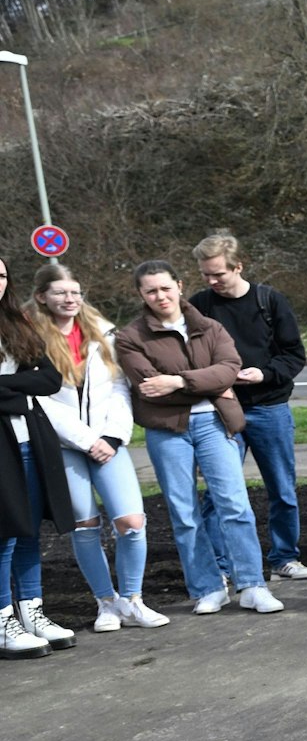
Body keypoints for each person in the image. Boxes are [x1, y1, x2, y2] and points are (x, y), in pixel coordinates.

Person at [117, 260, 285, 614]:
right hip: (167, 430)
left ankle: (252, 585)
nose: (160, 295)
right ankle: (208, 587)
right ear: (141, 295)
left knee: (234, 505)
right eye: (151, 290)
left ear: (179, 285)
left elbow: (229, 369)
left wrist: (177, 381)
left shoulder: (209, 326)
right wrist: (210, 384)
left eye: (165, 287)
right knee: (184, 512)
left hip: (213, 424)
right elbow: (148, 388)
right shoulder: (130, 337)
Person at [32, 264, 169, 632]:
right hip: (64, 445)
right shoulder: (29, 338)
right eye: (60, 292)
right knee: (85, 526)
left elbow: (120, 389)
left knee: (131, 521)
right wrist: (86, 439)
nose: (69, 298)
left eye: (75, 291)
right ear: (42, 296)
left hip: (108, 443)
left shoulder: (103, 334)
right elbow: (39, 400)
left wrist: (111, 437)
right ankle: (106, 603)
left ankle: (133, 600)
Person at [188, 233, 307, 582]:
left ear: (238, 267)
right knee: (219, 494)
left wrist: (265, 373)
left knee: (282, 487)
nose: (212, 281)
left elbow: (293, 355)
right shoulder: (200, 305)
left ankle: (284, 558)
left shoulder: (269, 301)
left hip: (269, 407)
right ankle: (223, 567)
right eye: (206, 275)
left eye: (218, 274)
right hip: (220, 409)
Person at [0, 254, 79, 656]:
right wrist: (20, 386)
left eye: (0, 275)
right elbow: (31, 382)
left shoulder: (16, 324)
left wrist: (5, 386)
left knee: (29, 530)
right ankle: (2, 621)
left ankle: (32, 611)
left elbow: (48, 378)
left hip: (29, 439)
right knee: (5, 533)